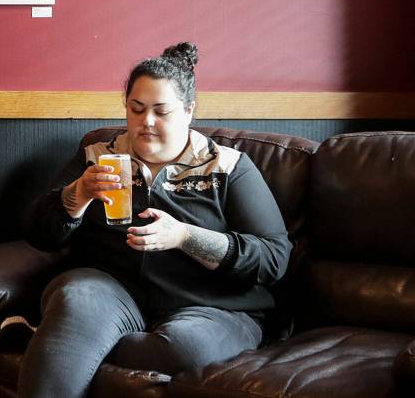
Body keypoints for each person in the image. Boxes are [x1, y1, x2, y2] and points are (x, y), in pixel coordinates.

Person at [19, 43, 290, 398]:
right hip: (112, 292)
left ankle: (59, 339)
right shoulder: (99, 156)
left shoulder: (227, 166)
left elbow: (274, 258)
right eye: (137, 109)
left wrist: (183, 236)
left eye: (161, 111)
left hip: (211, 306)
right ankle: (70, 337)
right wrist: (79, 193)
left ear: (189, 111)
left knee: (185, 347)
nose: (146, 122)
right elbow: (39, 233)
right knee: (76, 297)